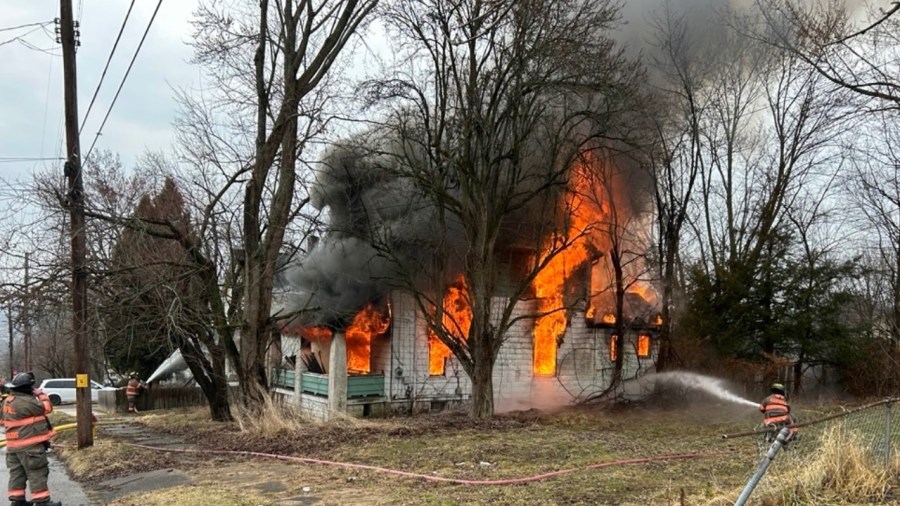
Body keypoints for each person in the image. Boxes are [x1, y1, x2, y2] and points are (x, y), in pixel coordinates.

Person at [1, 372, 61, 506]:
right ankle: (42, 502)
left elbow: (1, 420)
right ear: (29, 388)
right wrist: (40, 394)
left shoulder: (7, 401)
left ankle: (18, 501)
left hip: (12, 447)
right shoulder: (27, 402)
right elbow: (47, 408)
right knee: (37, 473)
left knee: (17, 473)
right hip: (30, 447)